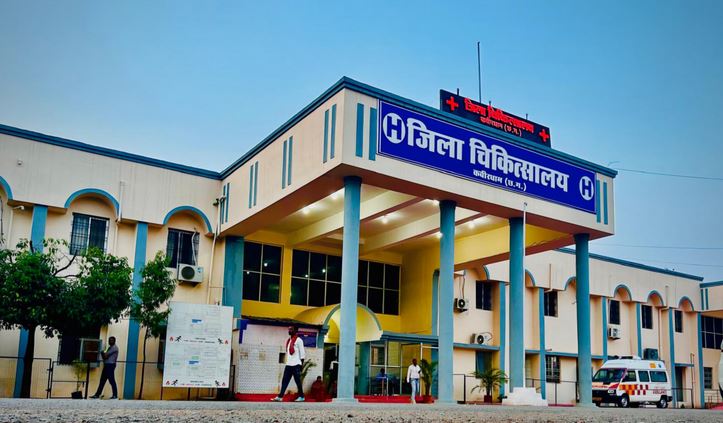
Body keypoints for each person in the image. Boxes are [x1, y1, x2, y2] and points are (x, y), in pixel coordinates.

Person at [271, 325, 306, 402]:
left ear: (296, 331)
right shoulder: (289, 340)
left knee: (298, 381)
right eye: (289, 329)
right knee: (285, 381)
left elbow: (302, 354)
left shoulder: (299, 340)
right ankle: (280, 397)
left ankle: (301, 396)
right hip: (289, 364)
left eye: (291, 329)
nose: (289, 330)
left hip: (296, 364)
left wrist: (301, 365)